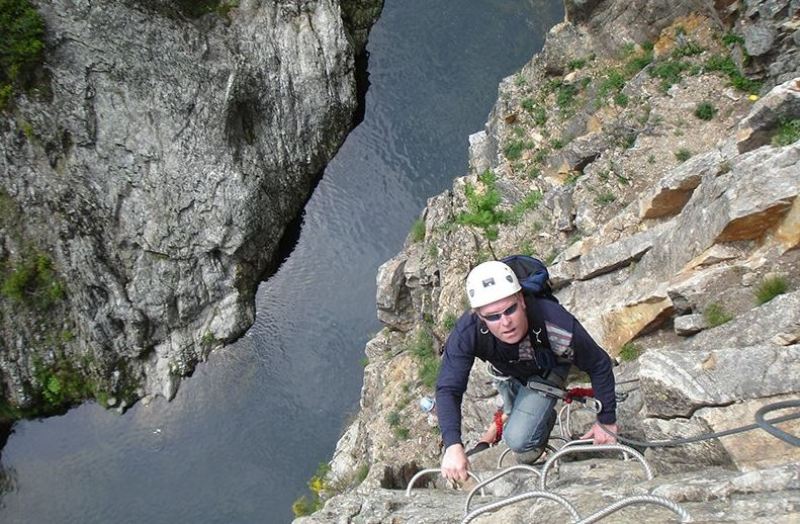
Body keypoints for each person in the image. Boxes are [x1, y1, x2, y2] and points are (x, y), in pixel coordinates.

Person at [435, 260, 618, 482]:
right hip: (508, 370)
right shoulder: (468, 332)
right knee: (513, 410)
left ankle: (540, 415)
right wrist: (453, 445)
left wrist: (606, 420)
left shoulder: (553, 322)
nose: (505, 322)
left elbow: (598, 363)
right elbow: (448, 388)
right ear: (479, 316)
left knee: (520, 442)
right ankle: (524, 410)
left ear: (521, 300)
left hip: (548, 365)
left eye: (510, 310)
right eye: (493, 316)